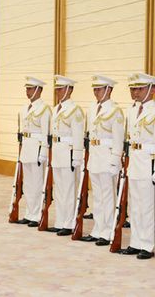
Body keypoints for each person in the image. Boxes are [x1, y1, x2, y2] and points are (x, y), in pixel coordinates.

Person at [79, 76, 124, 246]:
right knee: (97, 196)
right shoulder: (92, 108)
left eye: (99, 89)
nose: (96, 92)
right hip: (95, 156)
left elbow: (118, 139)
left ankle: (107, 231)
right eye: (94, 89)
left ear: (109, 90)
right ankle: (98, 229)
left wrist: (115, 160)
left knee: (108, 195)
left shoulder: (115, 111)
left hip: (107, 157)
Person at [120, 72, 155, 259]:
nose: (136, 93)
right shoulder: (132, 110)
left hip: (149, 162)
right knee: (135, 205)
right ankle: (136, 241)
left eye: (140, 89)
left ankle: (148, 244)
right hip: (135, 161)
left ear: (152, 89)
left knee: (148, 205)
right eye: (133, 89)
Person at [49, 75, 84, 236]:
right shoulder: (56, 109)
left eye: (61, 88)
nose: (58, 92)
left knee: (69, 189)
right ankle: (60, 221)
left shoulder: (74, 110)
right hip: (57, 152)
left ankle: (69, 223)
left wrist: (77, 156)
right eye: (57, 89)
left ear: (70, 90)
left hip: (68, 152)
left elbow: (78, 135)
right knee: (60, 190)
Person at [15, 76, 51, 227]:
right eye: (27, 89)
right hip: (27, 148)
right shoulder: (25, 108)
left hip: (37, 148)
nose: (27, 92)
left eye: (30, 89)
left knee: (36, 183)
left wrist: (44, 151)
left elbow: (45, 133)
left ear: (39, 90)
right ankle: (29, 213)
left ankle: (36, 215)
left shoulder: (44, 109)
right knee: (28, 184)